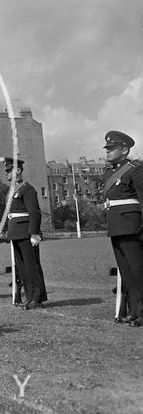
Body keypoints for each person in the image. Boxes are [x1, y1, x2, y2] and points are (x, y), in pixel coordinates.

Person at [102, 131, 143, 327]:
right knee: (127, 274)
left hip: (132, 226)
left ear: (125, 150)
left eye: (112, 148)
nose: (108, 152)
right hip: (116, 227)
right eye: (107, 148)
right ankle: (134, 311)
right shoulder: (109, 172)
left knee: (138, 272)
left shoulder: (135, 169)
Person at [4, 158, 46, 310]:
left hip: (26, 232)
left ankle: (37, 297)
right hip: (15, 232)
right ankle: (29, 297)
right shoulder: (12, 191)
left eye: (10, 170)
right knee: (22, 267)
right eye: (6, 171)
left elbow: (34, 213)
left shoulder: (27, 189)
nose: (7, 173)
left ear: (19, 170)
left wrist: (34, 233)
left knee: (31, 266)